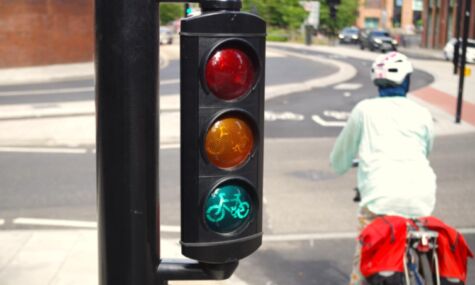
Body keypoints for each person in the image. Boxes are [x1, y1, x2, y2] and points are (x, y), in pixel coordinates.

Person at [329, 52, 437, 285]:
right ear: (406, 81)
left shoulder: (364, 110)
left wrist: (343, 164)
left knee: (363, 263)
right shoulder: (423, 113)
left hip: (379, 200)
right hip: (421, 199)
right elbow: (426, 151)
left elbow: (339, 160)